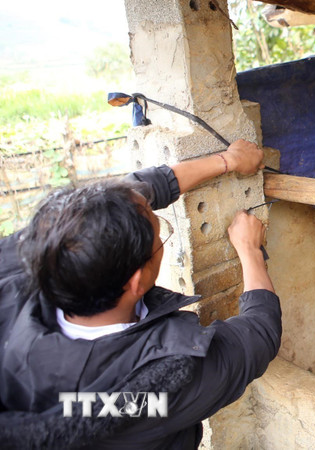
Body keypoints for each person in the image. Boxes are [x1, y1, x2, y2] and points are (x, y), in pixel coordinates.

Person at [0, 139, 282, 449]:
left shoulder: (31, 259)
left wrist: (226, 161)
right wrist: (249, 249)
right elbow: (258, 335)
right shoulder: (148, 395)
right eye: (158, 236)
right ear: (137, 281)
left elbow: (126, 196)